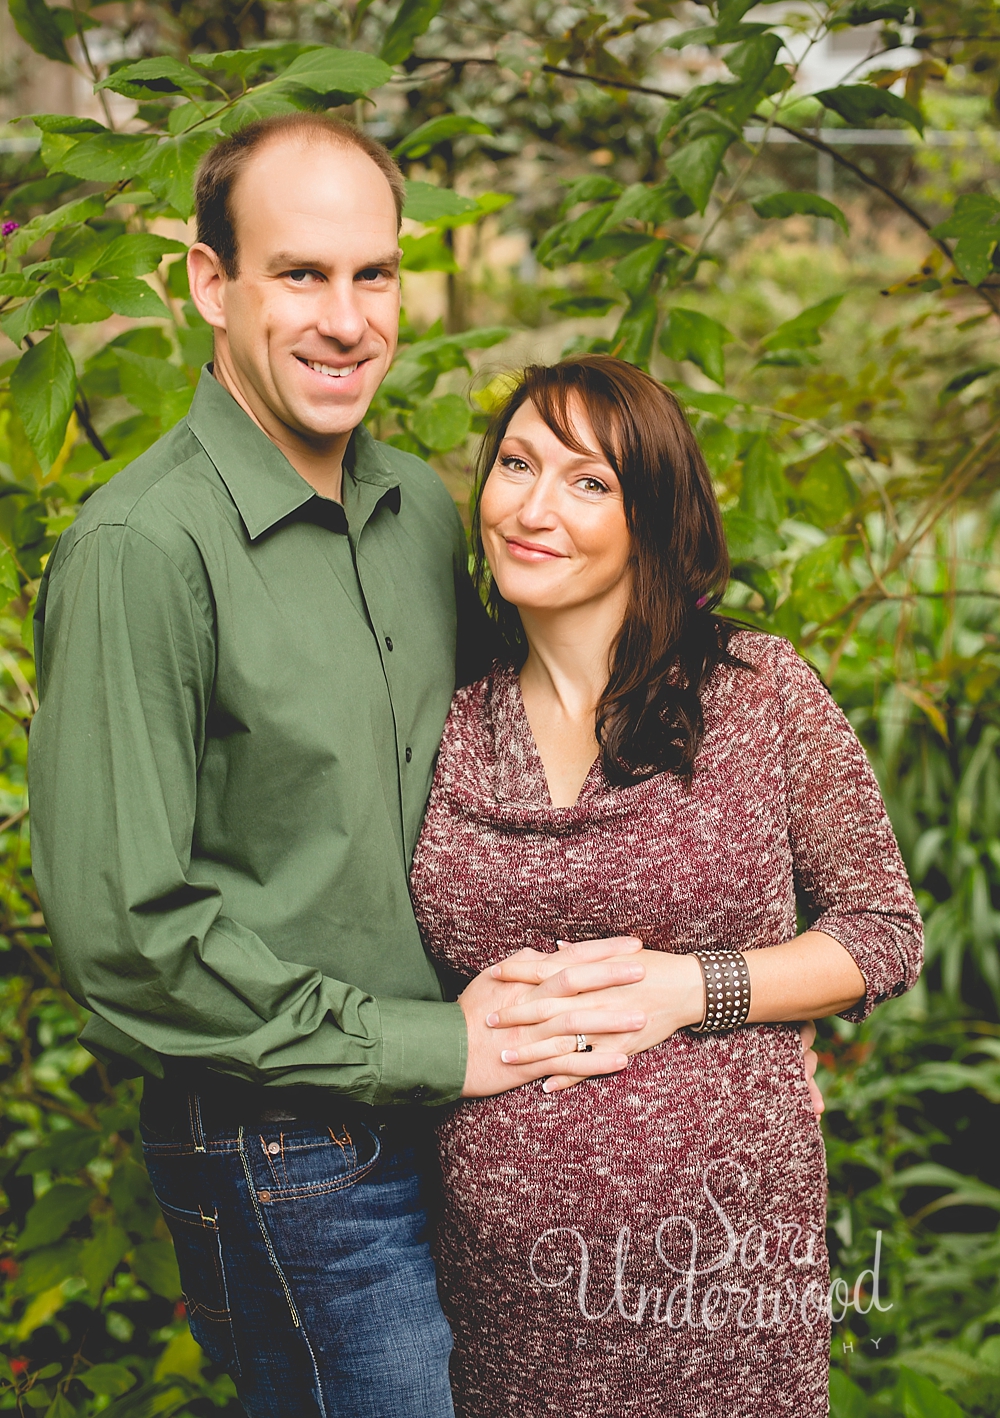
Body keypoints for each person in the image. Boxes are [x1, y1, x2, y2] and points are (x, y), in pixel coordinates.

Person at [26, 117, 658, 1418]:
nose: (346, 317)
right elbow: (126, 936)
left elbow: (532, 761)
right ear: (210, 282)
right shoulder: (142, 550)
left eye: (372, 275)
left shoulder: (427, 510)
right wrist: (431, 1043)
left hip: (467, 1111)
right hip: (288, 1140)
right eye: (300, 274)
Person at [409, 355, 923, 1418]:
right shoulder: (444, 718)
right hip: (498, 1304)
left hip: (722, 1285)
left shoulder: (754, 690)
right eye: (514, 464)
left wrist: (691, 989)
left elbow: (881, 932)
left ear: (653, 516)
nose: (533, 507)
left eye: (587, 481)